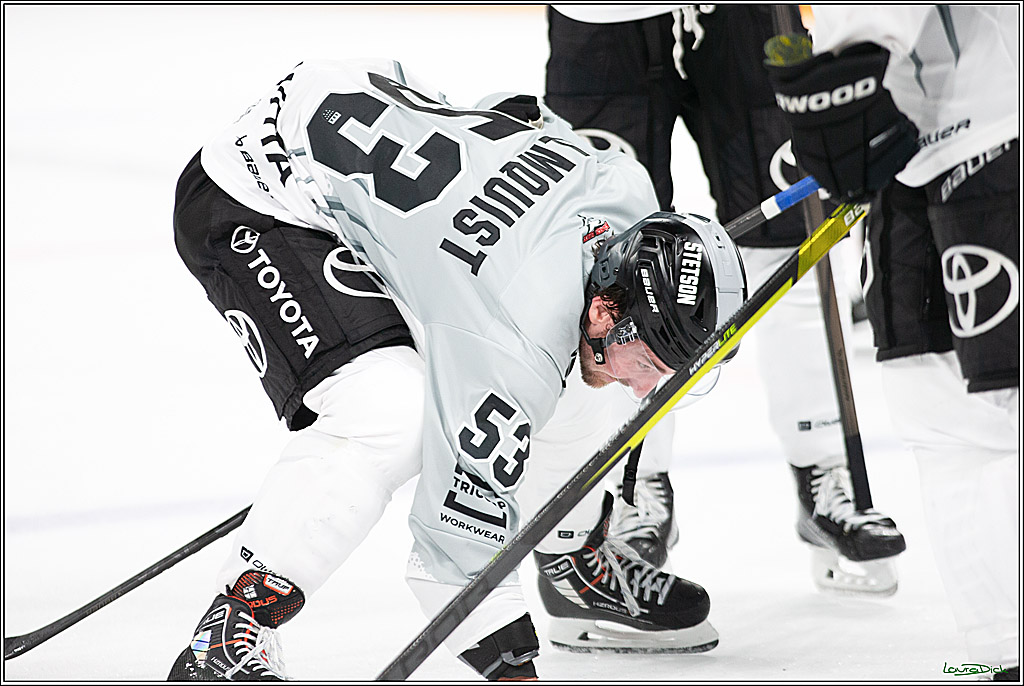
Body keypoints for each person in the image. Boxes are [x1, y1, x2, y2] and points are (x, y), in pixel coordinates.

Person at [168, 57, 744, 680]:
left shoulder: (624, 190)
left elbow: (518, 109)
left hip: (355, 111)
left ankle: (570, 554)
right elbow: (451, 552)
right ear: (606, 306)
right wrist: (514, 669)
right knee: (392, 414)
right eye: (651, 359)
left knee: (592, 378)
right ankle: (228, 636)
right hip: (256, 193)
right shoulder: (509, 342)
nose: (648, 383)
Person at [543, 3, 906, 602]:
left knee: (790, 238)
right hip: (604, 23)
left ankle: (822, 470)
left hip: (742, 18)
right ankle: (638, 485)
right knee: (611, 257)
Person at [764, 4, 1019, 679]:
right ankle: (1001, 654)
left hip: (998, 124)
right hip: (902, 159)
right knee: (933, 412)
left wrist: (861, 50)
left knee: (1009, 402)